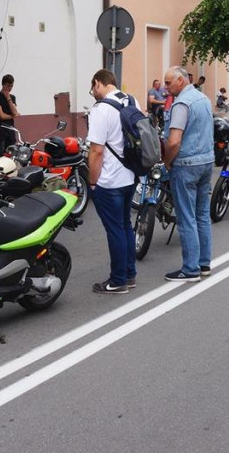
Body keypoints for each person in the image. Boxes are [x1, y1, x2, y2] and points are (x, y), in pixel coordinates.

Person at [86, 69, 138, 294]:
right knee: (125, 225)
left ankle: (117, 282)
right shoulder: (131, 100)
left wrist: (92, 182)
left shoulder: (101, 109)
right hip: (130, 175)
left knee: (115, 229)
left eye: (92, 89)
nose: (93, 93)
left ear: (98, 83)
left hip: (110, 180)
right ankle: (130, 275)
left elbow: (96, 151)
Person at [162, 66, 215, 283]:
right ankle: (204, 264)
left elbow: (174, 141)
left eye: (168, 83)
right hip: (206, 161)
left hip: (186, 165)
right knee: (202, 215)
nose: (166, 88)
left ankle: (190, 269)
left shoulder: (181, 104)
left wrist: (167, 162)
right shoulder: (203, 99)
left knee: (186, 217)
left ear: (181, 81)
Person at [0, 74, 20, 157]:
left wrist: (8, 98)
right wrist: (13, 116)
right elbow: (1, 116)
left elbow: (15, 112)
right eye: (8, 86)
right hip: (0, 130)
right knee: (1, 154)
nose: (10, 88)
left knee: (12, 154)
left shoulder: (12, 97)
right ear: (3, 85)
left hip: (11, 130)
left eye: (12, 86)